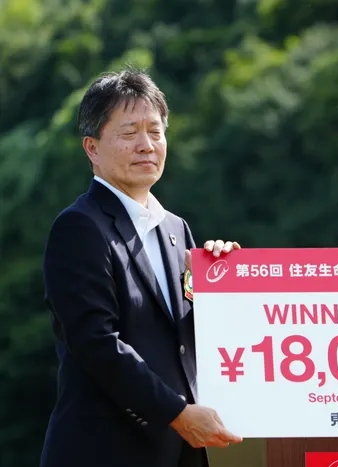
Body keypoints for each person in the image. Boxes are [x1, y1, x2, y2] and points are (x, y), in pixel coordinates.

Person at [40, 68, 242, 467]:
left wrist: (221, 287)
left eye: (155, 131)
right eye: (130, 133)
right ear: (92, 148)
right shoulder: (79, 227)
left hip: (181, 453)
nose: (146, 145)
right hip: (105, 452)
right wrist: (176, 414)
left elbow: (190, 342)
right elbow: (96, 343)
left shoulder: (176, 229)